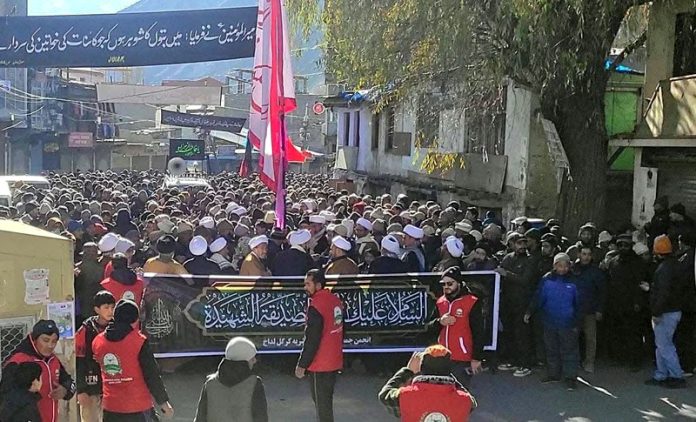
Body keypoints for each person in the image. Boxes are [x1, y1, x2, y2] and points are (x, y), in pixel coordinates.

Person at [92, 300, 174, 422]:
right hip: (138, 408)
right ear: (135, 320)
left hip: (110, 409)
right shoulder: (139, 342)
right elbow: (151, 374)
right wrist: (163, 402)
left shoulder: (97, 342)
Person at [524, 253, 580, 391]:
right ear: (554, 266)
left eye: (565, 265)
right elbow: (539, 297)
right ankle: (554, 374)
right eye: (559, 265)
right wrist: (529, 311)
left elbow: (579, 303)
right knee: (551, 349)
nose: (562, 268)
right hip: (549, 320)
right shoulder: (547, 279)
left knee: (569, 350)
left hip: (568, 322)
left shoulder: (574, 281)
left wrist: (577, 322)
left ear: (569, 266)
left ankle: (570, 377)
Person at [1, 320, 76, 422]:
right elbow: (6, 399)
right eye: (45, 340)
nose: (50, 345)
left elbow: (70, 382)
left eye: (54, 341)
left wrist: (65, 390)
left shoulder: (53, 360)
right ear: (34, 339)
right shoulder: (17, 361)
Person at [378, 345, 476, 422]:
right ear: (449, 369)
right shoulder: (465, 400)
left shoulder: (405, 395)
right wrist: (450, 377)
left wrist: (408, 371)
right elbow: (471, 402)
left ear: (422, 367)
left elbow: (384, 395)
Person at [295, 269, 344, 422]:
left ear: (318, 285)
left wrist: (302, 365)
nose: (305, 287)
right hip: (334, 361)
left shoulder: (316, 306)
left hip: (320, 364)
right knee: (326, 402)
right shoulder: (335, 301)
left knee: (322, 406)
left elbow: (312, 338)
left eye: (308, 284)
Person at [431, 266, 484, 387]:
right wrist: (440, 321)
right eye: (443, 284)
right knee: (441, 394)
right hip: (441, 356)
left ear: (459, 283)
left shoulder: (471, 301)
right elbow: (429, 326)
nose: (446, 287)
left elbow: (479, 331)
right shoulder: (440, 302)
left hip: (462, 357)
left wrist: (476, 358)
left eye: (450, 283)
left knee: (461, 392)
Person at [645, 235, 687, 389]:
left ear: (656, 251)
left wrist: (656, 312)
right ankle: (662, 374)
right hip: (673, 310)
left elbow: (663, 293)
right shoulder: (675, 265)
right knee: (662, 344)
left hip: (665, 312)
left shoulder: (663, 269)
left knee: (665, 345)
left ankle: (675, 375)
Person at [194, 337, 268, 422]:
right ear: (244, 360)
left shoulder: (210, 384)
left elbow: (200, 418)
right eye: (252, 358)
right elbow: (261, 418)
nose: (255, 361)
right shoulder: (255, 384)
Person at [604, 234, 650, 371]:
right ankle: (620, 357)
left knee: (634, 334)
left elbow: (640, 283)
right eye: (621, 245)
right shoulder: (614, 262)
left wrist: (638, 302)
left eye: (626, 245)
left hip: (632, 304)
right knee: (618, 332)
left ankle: (635, 361)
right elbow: (610, 282)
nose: (623, 248)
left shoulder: (638, 262)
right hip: (616, 303)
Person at [496, 233, 536, 377]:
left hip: (523, 303)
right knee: (510, 333)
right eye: (519, 243)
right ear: (512, 244)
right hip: (508, 302)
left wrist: (506, 273)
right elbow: (498, 271)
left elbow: (525, 280)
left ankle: (525, 364)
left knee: (522, 334)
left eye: (524, 243)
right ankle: (513, 361)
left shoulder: (531, 260)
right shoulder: (508, 258)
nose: (522, 246)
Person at [75, 291, 116, 422]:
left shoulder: (117, 328)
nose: (110, 311)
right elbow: (79, 361)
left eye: (112, 307)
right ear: (96, 309)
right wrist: (81, 390)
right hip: (90, 386)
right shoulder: (85, 330)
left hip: (113, 386)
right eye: (106, 307)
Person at [572, 246, 606, 374]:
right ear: (579, 254)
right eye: (584, 254)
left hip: (590, 310)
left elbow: (602, 292)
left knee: (591, 338)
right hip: (575, 310)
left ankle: (589, 362)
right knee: (573, 337)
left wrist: (600, 309)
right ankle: (574, 361)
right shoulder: (572, 269)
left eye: (589, 254)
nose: (586, 257)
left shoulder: (596, 271)